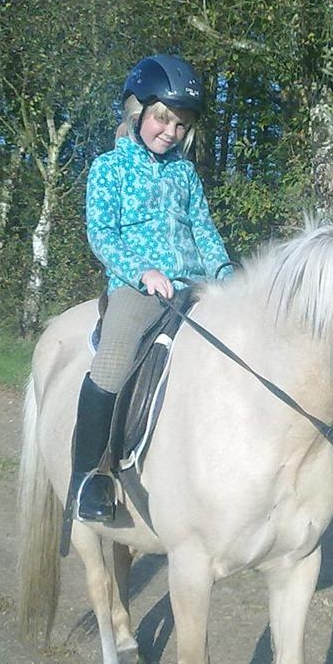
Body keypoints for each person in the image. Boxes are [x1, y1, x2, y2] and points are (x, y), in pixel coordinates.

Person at [70, 54, 234, 522]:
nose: (171, 131)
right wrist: (143, 272)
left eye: (181, 125)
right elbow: (102, 235)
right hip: (136, 288)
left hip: (193, 286)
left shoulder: (185, 173)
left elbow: (204, 231)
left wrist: (225, 274)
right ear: (136, 111)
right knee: (115, 358)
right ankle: (90, 478)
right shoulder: (108, 169)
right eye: (163, 118)